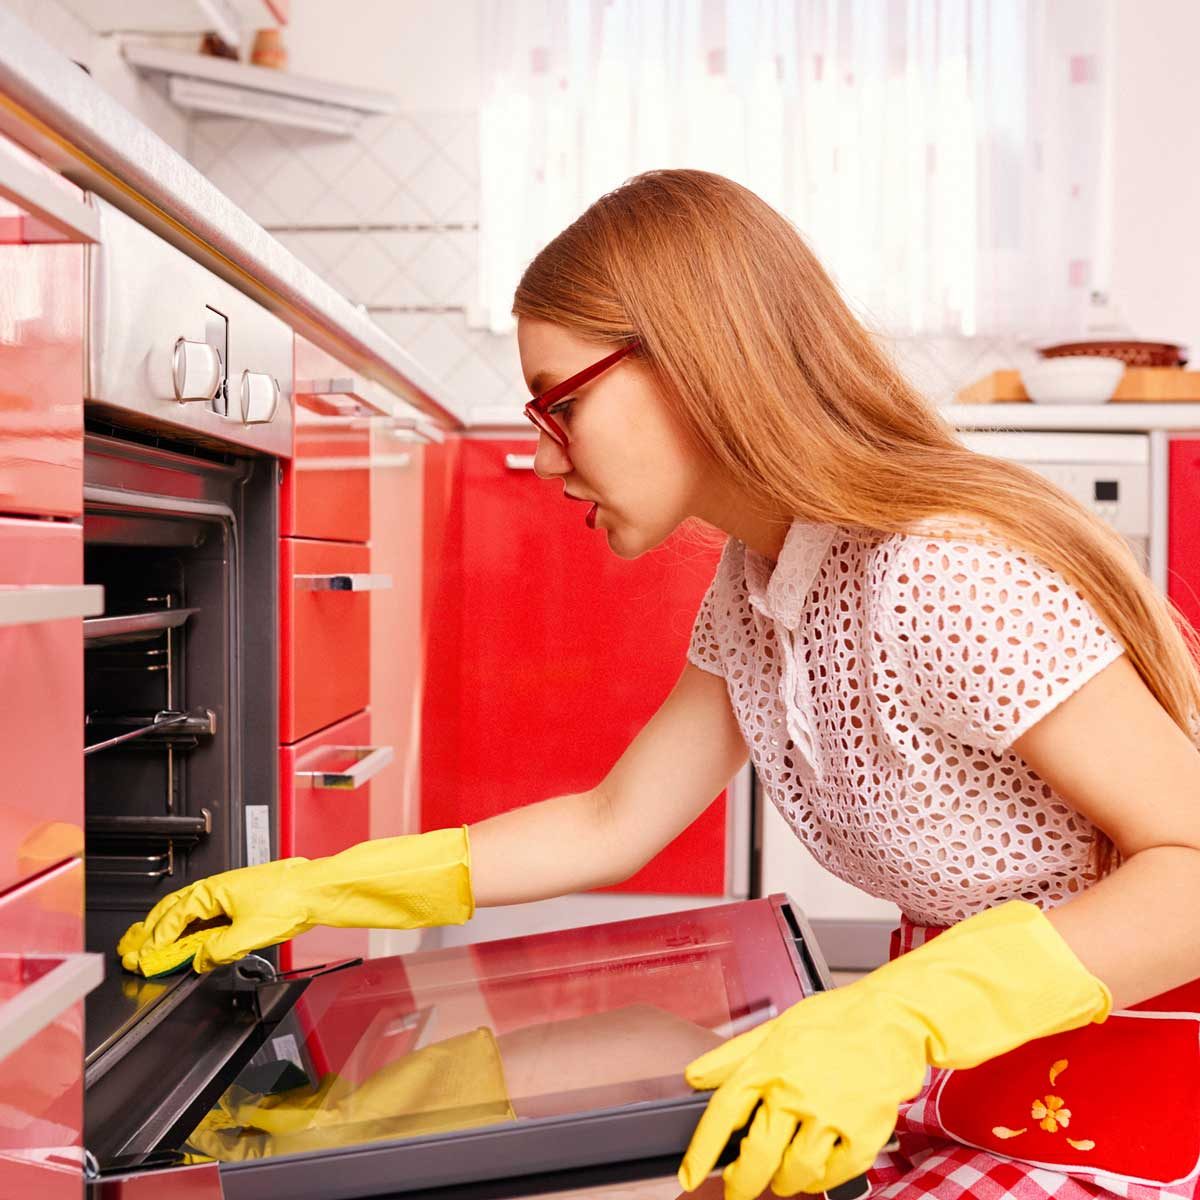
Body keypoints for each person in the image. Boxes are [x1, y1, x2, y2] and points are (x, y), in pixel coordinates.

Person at [119, 169, 1200, 1200]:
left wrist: (906, 1018)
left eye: (559, 406)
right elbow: (612, 822)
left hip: (1129, 1096)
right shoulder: (765, 575)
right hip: (970, 1070)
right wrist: (321, 886)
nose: (544, 457)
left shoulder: (941, 574)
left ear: (690, 362)